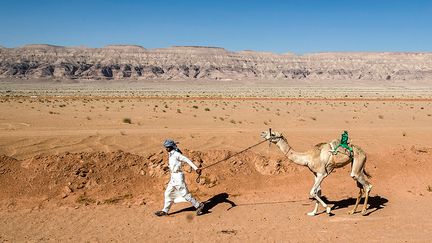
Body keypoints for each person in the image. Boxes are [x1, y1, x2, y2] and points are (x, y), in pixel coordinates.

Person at [154, 139, 205, 216]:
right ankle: (165, 211)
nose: (166, 148)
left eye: (167, 147)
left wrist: (196, 168)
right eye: (166, 147)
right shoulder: (170, 154)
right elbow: (174, 164)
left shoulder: (177, 154)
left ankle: (198, 205)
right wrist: (168, 167)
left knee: (184, 193)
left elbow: (187, 160)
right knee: (168, 193)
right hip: (173, 177)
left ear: (171, 147)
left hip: (178, 177)